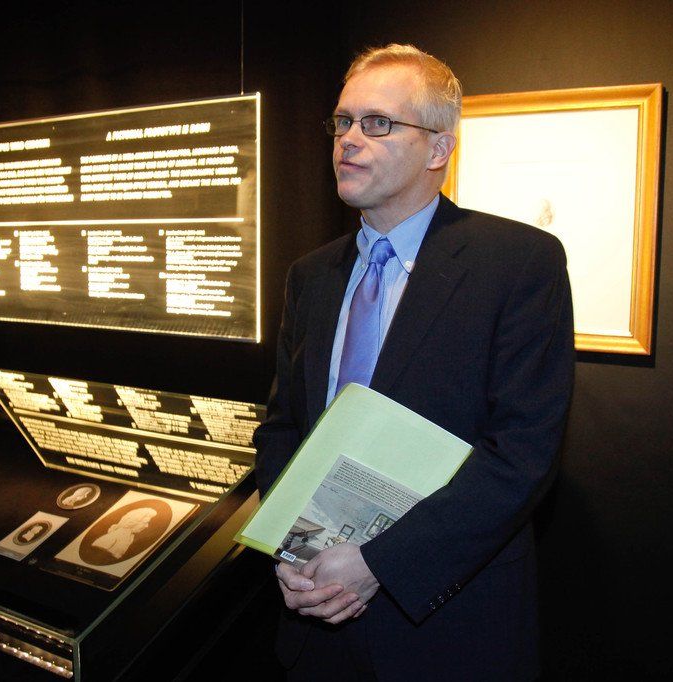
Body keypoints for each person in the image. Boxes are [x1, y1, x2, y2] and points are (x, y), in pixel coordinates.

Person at [253, 44, 574, 681]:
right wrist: (289, 546)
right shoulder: (310, 276)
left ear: (438, 149)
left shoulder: (518, 264)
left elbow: (522, 454)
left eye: (378, 123)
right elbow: (283, 426)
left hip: (447, 628)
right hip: (314, 623)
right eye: (343, 122)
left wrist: (382, 563)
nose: (349, 139)